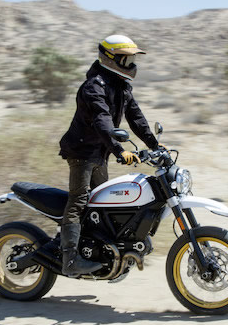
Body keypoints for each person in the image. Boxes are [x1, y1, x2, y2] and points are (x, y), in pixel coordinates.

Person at [56, 34, 160, 276]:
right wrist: (119, 150)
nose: (132, 64)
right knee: (79, 200)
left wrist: (155, 144)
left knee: (103, 203)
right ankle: (70, 259)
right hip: (82, 152)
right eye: (127, 59)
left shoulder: (121, 86)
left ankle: (102, 251)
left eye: (132, 60)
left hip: (99, 153)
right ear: (110, 58)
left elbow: (136, 118)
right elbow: (102, 121)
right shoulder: (94, 87)